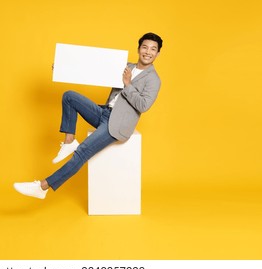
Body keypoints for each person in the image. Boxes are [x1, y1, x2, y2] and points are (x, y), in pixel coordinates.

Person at [14, 32, 163, 199]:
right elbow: (95, 72)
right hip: (104, 112)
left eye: (153, 49)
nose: (148, 52)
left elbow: (144, 105)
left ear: (157, 53)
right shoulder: (126, 66)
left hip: (117, 124)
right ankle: (69, 141)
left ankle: (43, 187)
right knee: (69, 96)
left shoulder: (154, 79)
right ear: (138, 49)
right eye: (145, 47)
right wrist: (63, 70)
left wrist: (127, 84)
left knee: (83, 151)